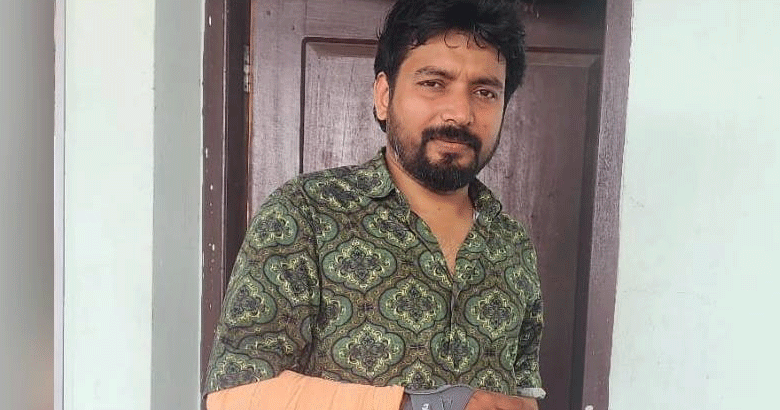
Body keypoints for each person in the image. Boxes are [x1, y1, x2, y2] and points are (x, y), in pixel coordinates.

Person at [204, 1, 545, 409]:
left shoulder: (511, 242)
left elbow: (522, 395)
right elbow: (235, 396)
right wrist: (428, 405)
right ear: (384, 95)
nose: (460, 113)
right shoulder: (305, 213)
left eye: (485, 92)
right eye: (433, 83)